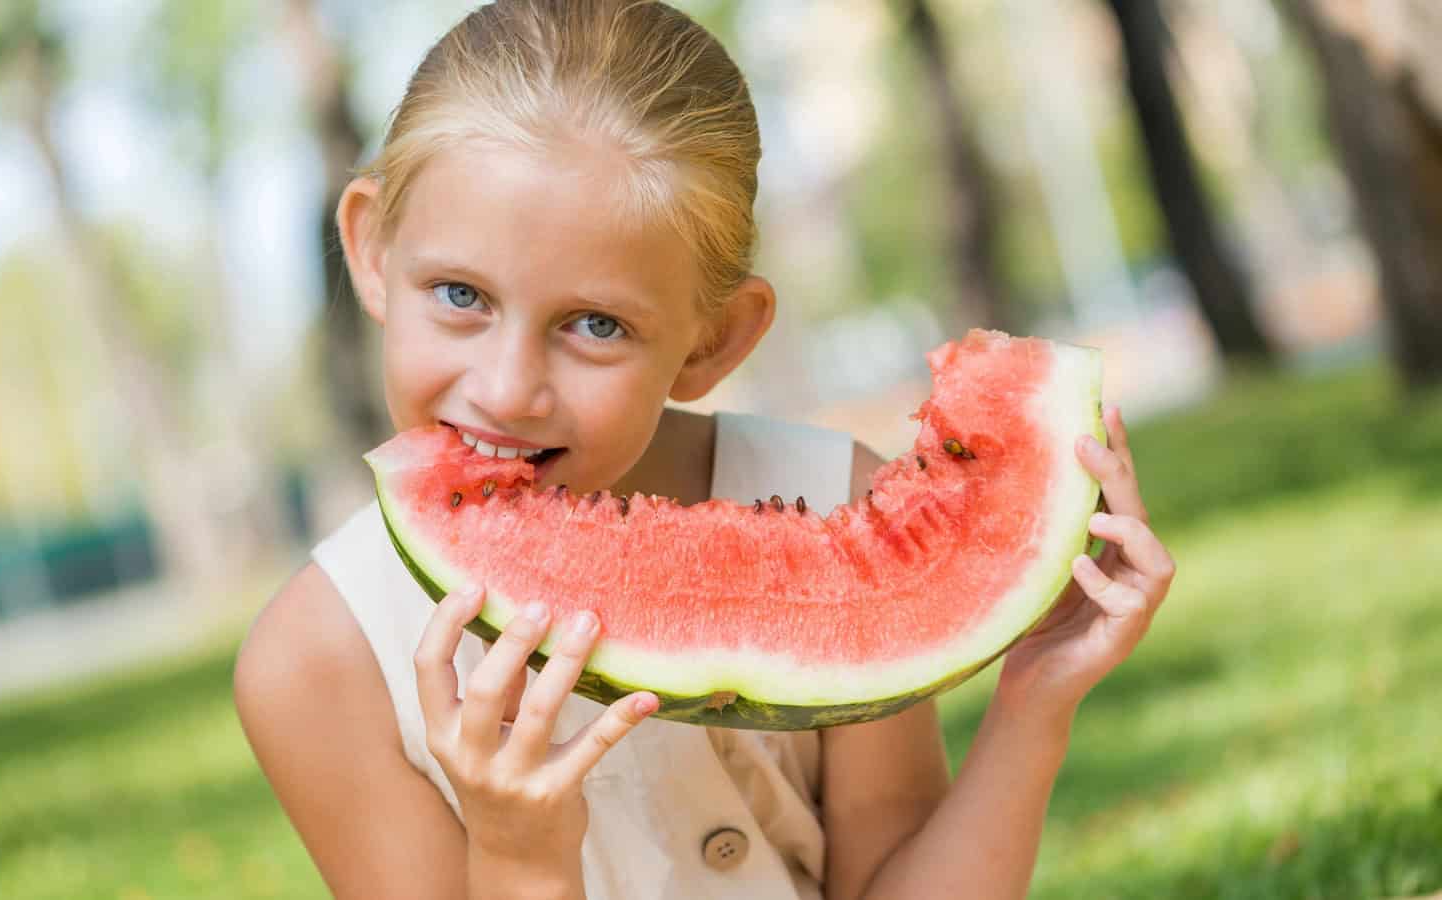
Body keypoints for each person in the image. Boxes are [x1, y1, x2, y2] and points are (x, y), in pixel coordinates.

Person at [233, 2, 1177, 898]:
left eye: (594, 323)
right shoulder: (318, 664)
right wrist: (521, 858)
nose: (508, 386)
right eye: (459, 296)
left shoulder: (833, 502)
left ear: (714, 340)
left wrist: (1033, 708)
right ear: (369, 251)